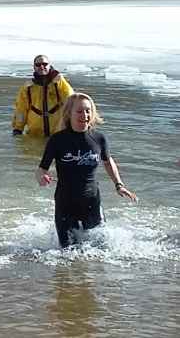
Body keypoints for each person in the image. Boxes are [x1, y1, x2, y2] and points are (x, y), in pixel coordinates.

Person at [36, 92, 137, 248]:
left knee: (102, 251)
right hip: (65, 204)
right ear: (69, 114)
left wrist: (119, 185)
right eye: (80, 111)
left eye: (88, 110)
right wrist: (42, 177)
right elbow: (41, 169)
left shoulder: (99, 138)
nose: (85, 115)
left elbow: (108, 161)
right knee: (67, 255)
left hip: (92, 203)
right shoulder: (58, 140)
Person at [13, 55, 74, 137]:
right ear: (34, 67)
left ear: (49, 65)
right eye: (38, 65)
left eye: (45, 64)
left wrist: (74, 124)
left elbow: (71, 102)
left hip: (57, 132)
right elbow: (21, 109)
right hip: (35, 133)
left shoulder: (59, 82)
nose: (42, 67)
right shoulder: (28, 87)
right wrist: (18, 128)